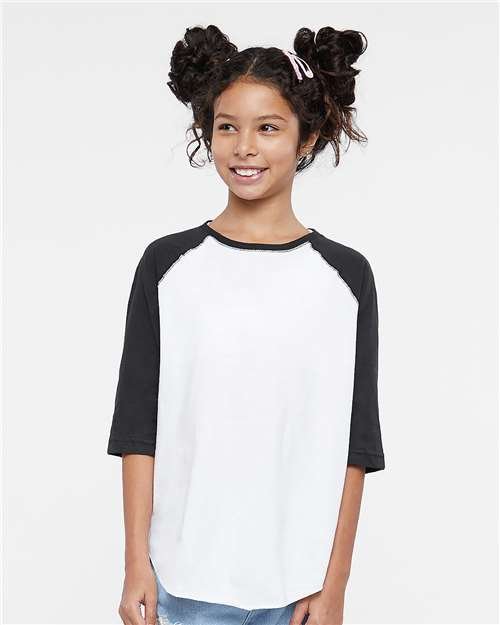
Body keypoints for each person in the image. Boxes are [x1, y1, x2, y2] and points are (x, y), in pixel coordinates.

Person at [107, 24, 385, 625]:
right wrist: (135, 564)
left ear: (308, 136)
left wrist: (334, 585)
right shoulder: (167, 266)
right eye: (227, 126)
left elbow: (356, 443)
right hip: (184, 581)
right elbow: (137, 426)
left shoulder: (345, 278)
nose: (244, 147)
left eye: (269, 128)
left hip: (298, 588)